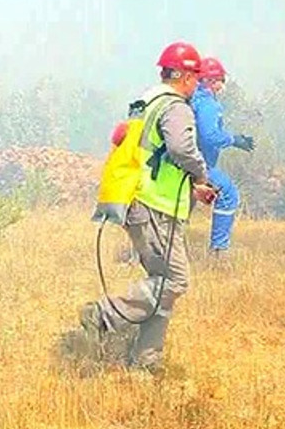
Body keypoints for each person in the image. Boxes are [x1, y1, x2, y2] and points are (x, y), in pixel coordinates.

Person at [79, 41, 216, 373]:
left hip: (142, 202)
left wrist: (191, 188)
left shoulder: (146, 102)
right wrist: (201, 174)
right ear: (183, 75)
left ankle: (146, 360)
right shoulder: (176, 107)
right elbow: (181, 150)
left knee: (162, 281)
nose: (197, 82)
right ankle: (103, 314)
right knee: (174, 281)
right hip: (155, 207)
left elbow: (154, 157)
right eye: (195, 76)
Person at [190, 57, 254, 254]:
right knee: (228, 194)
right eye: (219, 80)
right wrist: (234, 140)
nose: (222, 85)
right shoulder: (208, 104)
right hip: (199, 164)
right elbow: (209, 136)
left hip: (187, 160)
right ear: (209, 81)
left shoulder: (193, 99)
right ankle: (219, 250)